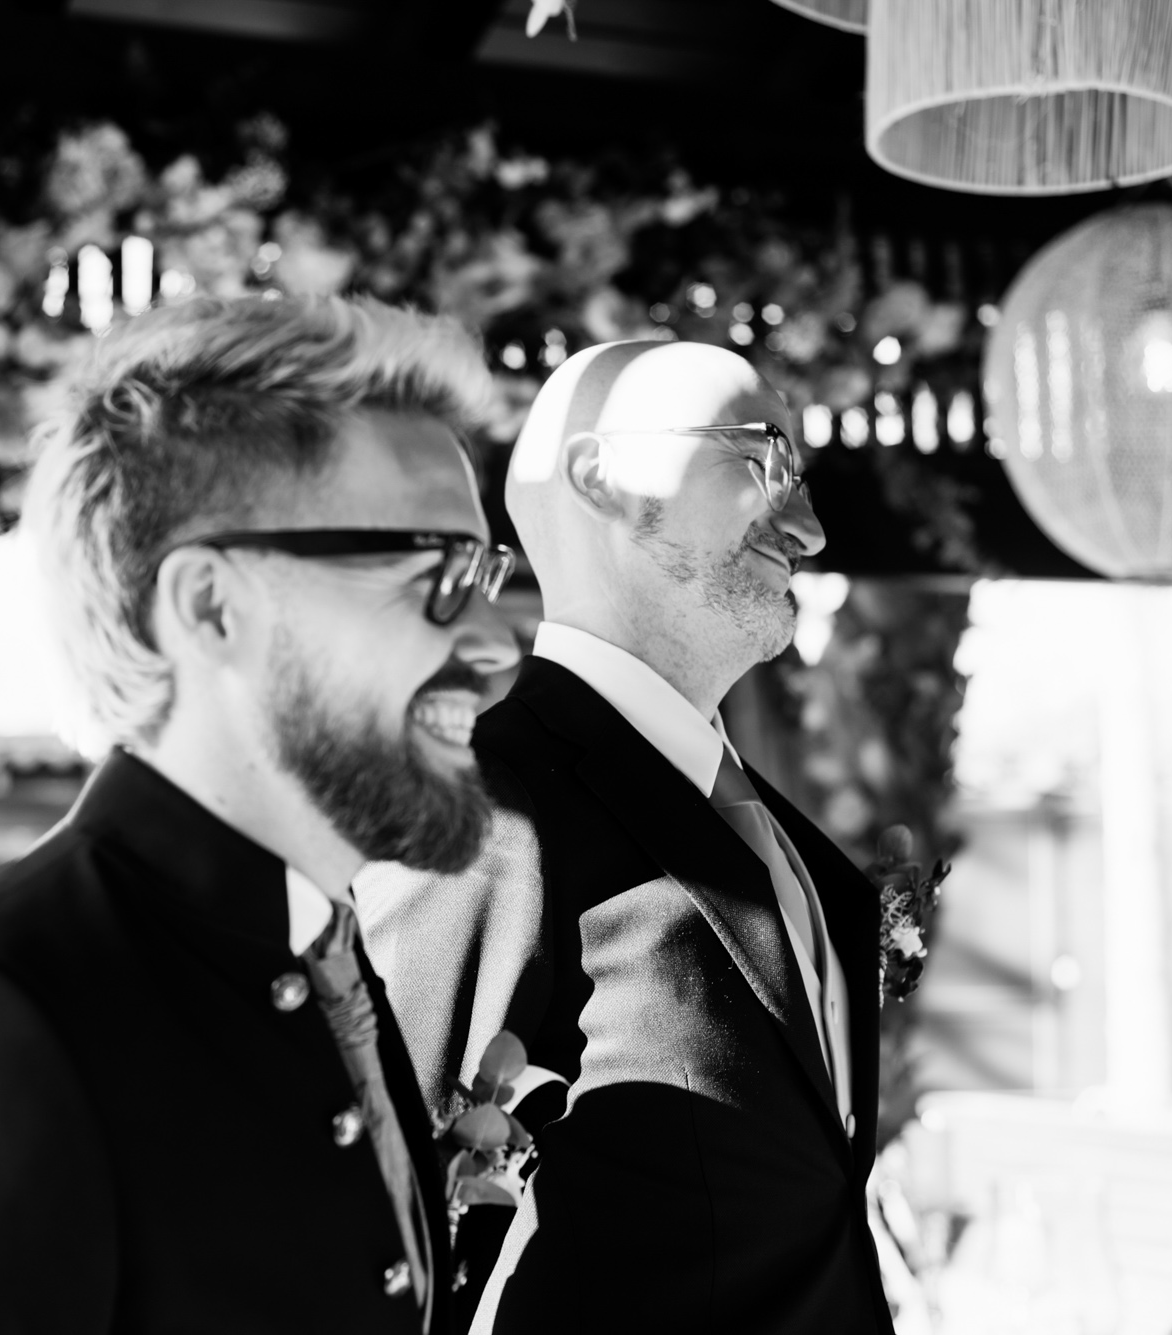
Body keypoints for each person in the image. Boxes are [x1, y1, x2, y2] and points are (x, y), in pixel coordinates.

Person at [0, 295, 521, 1335]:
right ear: (210, 605)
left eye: (486, 573)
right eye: (436, 574)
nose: (496, 642)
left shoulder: (322, 954)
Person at [358, 339, 894, 1334]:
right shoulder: (487, 812)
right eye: (760, 457)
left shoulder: (784, 844)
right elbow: (380, 1252)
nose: (809, 529)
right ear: (600, 477)